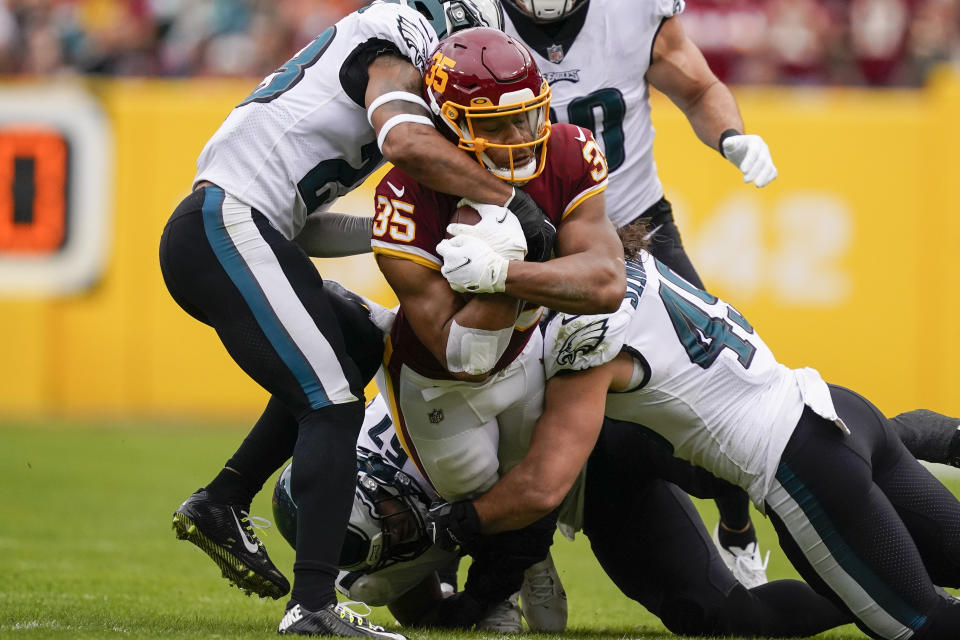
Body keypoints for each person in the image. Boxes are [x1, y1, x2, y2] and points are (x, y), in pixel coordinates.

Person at [157, 0, 569, 635]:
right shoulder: (392, 43)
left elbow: (308, 224)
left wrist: (402, 237)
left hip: (238, 227)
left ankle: (222, 499)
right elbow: (403, 141)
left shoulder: (364, 58)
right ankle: (314, 607)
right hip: (227, 226)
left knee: (350, 337)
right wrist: (510, 200)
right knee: (330, 405)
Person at [430, 232, 960, 639]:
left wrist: (453, 525)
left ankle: (884, 578)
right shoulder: (626, 259)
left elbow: (545, 487)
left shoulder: (585, 333)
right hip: (835, 408)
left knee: (926, 626)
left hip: (802, 474)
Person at [496, 0, 781, 585]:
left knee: (723, 390)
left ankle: (736, 529)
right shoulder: (466, 17)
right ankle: (516, 557)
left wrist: (732, 136)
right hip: (521, 234)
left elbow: (700, 89)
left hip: (634, 226)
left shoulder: (633, 10)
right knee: (502, 407)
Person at [367, 26, 623, 626]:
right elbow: (463, 355)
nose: (518, 138)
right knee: (474, 484)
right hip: (438, 383)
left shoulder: (567, 149)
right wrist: (516, 271)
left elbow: (606, 282)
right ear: (447, 124)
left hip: (525, 352)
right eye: (493, 125)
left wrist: (503, 272)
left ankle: (520, 565)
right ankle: (453, 585)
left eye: (528, 118)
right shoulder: (404, 195)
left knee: (526, 479)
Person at [272, 394, 565, 633]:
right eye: (388, 543)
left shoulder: (442, 450)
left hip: (518, 435)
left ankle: (525, 568)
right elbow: (423, 614)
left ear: (368, 479)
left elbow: (536, 477)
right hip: (441, 485)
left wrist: (514, 553)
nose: (400, 536)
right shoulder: (357, 568)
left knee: (487, 484)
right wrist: (473, 603)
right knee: (372, 586)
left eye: (391, 524)